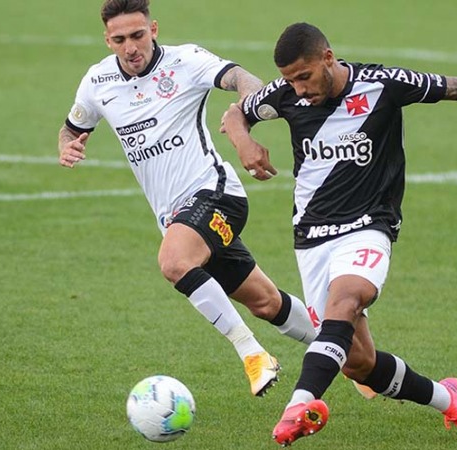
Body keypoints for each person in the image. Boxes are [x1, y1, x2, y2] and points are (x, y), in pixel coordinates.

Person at [221, 22, 457, 445]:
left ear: (328, 58)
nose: (298, 89)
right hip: (312, 236)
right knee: (358, 362)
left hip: (369, 226)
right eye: (289, 79)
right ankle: (451, 401)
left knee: (347, 299)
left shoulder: (383, 84)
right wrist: (244, 143)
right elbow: (234, 115)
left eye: (304, 76)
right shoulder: (284, 95)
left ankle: (298, 407)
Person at [57, 0, 318, 398]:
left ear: (154, 29)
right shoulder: (97, 82)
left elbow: (239, 77)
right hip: (176, 217)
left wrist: (247, 114)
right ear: (108, 40)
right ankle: (352, 356)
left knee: (174, 261)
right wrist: (68, 147)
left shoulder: (186, 61)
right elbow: (72, 127)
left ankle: (252, 353)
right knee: (266, 303)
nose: (131, 47)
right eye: (120, 39)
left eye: (138, 35)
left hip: (215, 194)